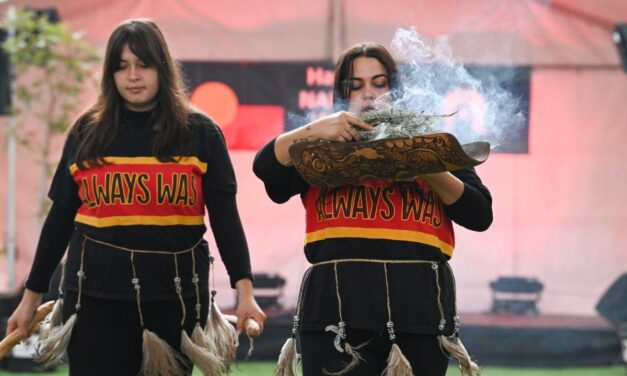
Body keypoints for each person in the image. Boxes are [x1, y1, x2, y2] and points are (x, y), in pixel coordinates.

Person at [6, 19, 266, 376]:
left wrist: (245, 292)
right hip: (94, 301)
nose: (133, 76)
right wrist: (29, 299)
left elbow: (225, 219)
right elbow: (59, 221)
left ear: (162, 68)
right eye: (122, 66)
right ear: (110, 74)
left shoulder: (200, 133)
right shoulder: (87, 133)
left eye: (143, 65)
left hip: (173, 302)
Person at [253, 42, 492, 376]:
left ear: (395, 91)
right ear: (342, 97)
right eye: (356, 86)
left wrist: (420, 159)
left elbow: (480, 214)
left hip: (418, 311)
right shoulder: (320, 150)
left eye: (379, 84)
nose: (368, 95)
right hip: (333, 313)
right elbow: (267, 170)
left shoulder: (431, 142)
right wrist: (314, 130)